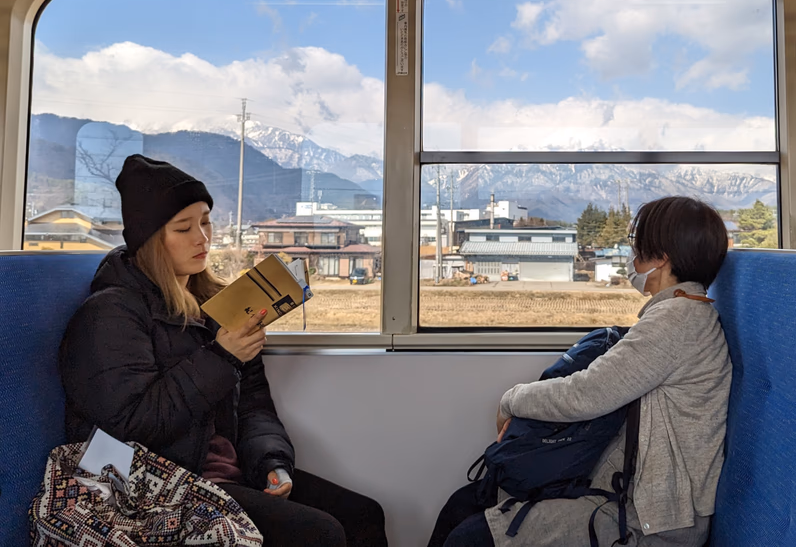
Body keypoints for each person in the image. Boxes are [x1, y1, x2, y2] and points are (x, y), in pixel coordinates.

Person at [59, 154, 387, 547]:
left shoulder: (214, 304)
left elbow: (252, 406)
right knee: (322, 534)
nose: (203, 238)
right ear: (149, 239)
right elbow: (131, 426)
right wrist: (222, 357)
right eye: (184, 228)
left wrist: (271, 463)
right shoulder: (109, 313)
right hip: (163, 485)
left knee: (365, 514)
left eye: (206, 221)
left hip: (229, 473)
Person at [428, 196, 732, 547]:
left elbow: (584, 395)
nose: (633, 258)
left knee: (469, 538)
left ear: (662, 256)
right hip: (625, 492)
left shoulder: (677, 320)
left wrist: (511, 400)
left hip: (651, 519)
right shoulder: (682, 314)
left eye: (639, 247)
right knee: (463, 505)